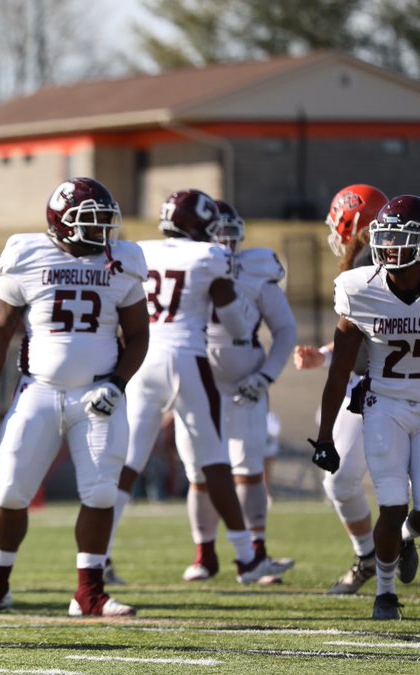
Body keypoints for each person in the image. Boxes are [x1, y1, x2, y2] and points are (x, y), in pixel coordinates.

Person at [0, 178, 147, 617]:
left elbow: (138, 336)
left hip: (98, 392)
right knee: (11, 490)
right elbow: (0, 331)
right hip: (37, 390)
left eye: (104, 221)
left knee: (101, 493)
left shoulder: (123, 261)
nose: (102, 232)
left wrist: (116, 383)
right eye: (91, 221)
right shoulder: (26, 254)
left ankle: (89, 592)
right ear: (61, 224)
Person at [109, 189, 280, 585]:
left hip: (143, 359)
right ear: (198, 224)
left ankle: (99, 556)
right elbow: (237, 326)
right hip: (186, 358)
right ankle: (246, 558)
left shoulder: (138, 250)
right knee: (214, 461)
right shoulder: (210, 257)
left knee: (129, 464)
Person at [294, 184, 420, 594]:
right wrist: (329, 355)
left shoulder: (377, 260)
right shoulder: (365, 269)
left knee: (344, 482)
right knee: (350, 484)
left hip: (377, 385)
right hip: (378, 386)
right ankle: (379, 551)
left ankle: (374, 553)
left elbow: (373, 344)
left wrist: (329, 358)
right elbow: (363, 335)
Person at [188, 200, 298, 581]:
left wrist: (265, 376)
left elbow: (285, 330)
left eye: (228, 234)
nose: (224, 243)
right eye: (215, 233)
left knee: (249, 470)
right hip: (197, 375)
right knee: (198, 472)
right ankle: (204, 555)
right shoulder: (186, 267)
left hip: (244, 378)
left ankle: (257, 552)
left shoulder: (255, 268)